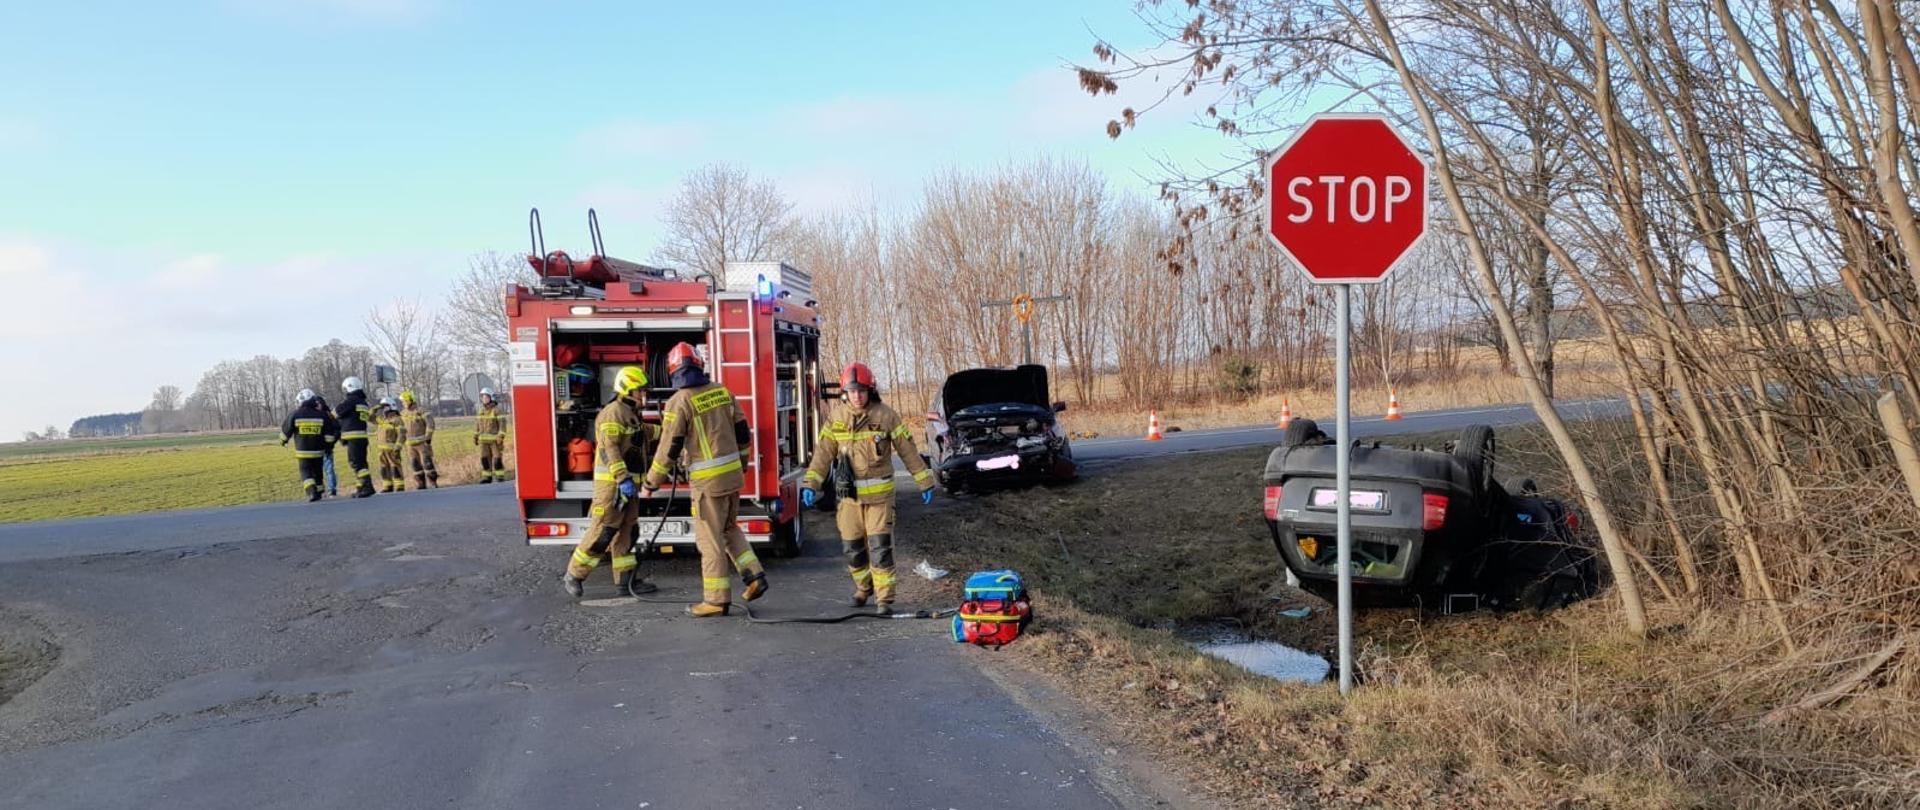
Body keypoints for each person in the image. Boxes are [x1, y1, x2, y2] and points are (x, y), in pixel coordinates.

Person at [642, 342, 769, 617]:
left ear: (673, 371)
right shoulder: (723, 392)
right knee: (729, 529)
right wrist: (741, 466)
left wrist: (651, 482)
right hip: (733, 476)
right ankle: (755, 576)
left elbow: (669, 447)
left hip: (707, 484)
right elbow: (743, 434)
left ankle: (715, 599)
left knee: (709, 539)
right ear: (699, 365)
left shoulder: (679, 401)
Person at [801, 362, 935, 612]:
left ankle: (884, 599)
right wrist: (811, 482)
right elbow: (823, 453)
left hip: (880, 499)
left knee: (881, 548)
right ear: (845, 392)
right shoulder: (837, 418)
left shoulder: (886, 416)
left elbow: (908, 449)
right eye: (852, 391)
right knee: (852, 549)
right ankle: (863, 588)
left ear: (870, 390)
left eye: (861, 391)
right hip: (849, 499)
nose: (857, 396)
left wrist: (924, 481)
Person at [560, 367, 661, 599]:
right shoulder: (612, 413)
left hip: (628, 487)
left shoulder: (630, 413)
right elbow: (609, 450)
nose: (643, 395)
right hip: (613, 488)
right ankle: (574, 575)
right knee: (603, 532)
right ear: (627, 390)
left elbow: (643, 433)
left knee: (627, 532)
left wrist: (669, 431)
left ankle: (625, 581)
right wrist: (623, 479)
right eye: (640, 391)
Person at [280, 389, 339, 503]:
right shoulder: (322, 415)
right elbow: (329, 436)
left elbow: (285, 432)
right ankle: (320, 491)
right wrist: (328, 446)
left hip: (303, 453)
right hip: (319, 452)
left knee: (305, 472)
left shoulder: (295, 414)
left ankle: (312, 492)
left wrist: (283, 441)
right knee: (318, 472)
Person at [334, 376, 377, 497]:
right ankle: (361, 487)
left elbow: (337, 412)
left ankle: (368, 487)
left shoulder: (351, 400)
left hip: (353, 438)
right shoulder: (363, 402)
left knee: (356, 463)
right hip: (362, 437)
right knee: (361, 463)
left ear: (349, 388)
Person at [399, 390, 439, 489]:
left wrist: (428, 438)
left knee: (427, 463)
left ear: (409, 401)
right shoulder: (403, 413)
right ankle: (421, 483)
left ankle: (433, 482)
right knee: (415, 465)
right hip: (410, 445)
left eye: (404, 401)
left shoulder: (421, 411)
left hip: (422, 443)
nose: (403, 403)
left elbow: (431, 424)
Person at [473, 388, 508, 483]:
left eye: (486, 397)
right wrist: (475, 436)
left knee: (497, 459)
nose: (484, 399)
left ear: (491, 398)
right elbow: (477, 425)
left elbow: (502, 425)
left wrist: (500, 436)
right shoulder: (480, 411)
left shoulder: (497, 410)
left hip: (495, 441)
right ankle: (487, 477)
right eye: (482, 397)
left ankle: (500, 477)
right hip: (483, 442)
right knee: (484, 459)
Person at [375, 397, 407, 492]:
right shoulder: (382, 420)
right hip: (382, 451)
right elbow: (369, 417)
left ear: (390, 407)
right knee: (384, 468)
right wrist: (376, 407)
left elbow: (402, 435)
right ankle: (387, 486)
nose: (383, 410)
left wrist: (397, 448)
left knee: (395, 468)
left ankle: (399, 486)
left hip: (392, 450)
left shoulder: (397, 420)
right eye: (382, 408)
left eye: (385, 407)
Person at [313, 394, 339, 497]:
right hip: (315, 448)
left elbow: (337, 429)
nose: (317, 406)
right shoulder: (312, 415)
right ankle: (320, 489)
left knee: (329, 469)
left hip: (326, 448)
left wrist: (331, 443)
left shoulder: (328, 415)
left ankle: (332, 489)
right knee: (316, 470)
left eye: (319, 403)